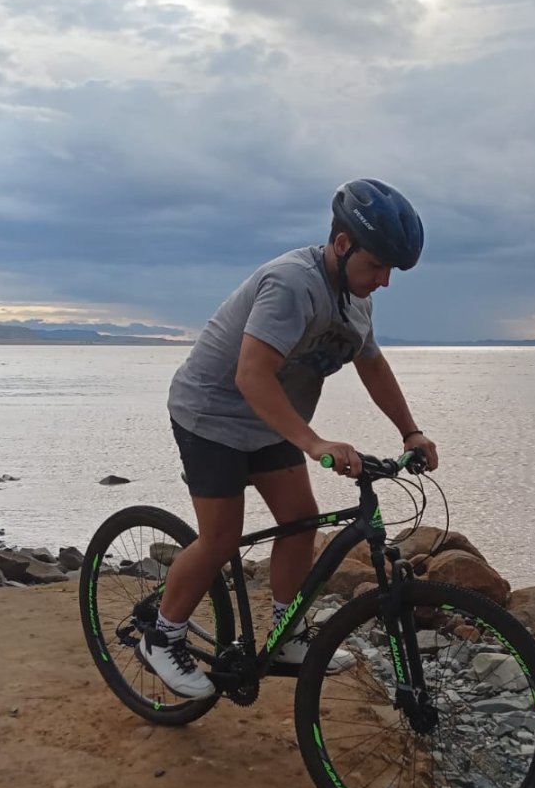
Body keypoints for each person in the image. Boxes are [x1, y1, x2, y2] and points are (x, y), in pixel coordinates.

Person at [140, 179, 440, 698]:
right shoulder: (292, 284)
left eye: (392, 269)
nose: (385, 280)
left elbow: (371, 364)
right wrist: (315, 443)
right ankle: (162, 636)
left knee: (300, 522)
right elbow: (251, 374)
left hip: (269, 419)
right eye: (377, 265)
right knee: (221, 539)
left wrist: (409, 430)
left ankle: (286, 634)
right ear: (342, 243)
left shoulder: (357, 299)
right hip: (210, 415)